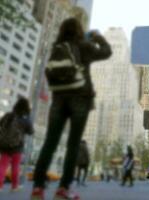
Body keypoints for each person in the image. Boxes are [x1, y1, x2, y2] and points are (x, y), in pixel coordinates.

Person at [31, 18, 112, 200]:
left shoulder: (57, 47)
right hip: (80, 98)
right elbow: (106, 52)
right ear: (79, 31)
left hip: (58, 99)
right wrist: (98, 37)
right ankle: (63, 190)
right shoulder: (84, 45)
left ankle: (37, 188)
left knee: (49, 143)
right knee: (73, 145)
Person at [0, 97, 34, 192]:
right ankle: (14, 187)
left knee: (2, 165)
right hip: (17, 146)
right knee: (15, 166)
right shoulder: (25, 118)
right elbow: (31, 131)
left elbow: (1, 124)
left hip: (4, 145)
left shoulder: (8, 115)